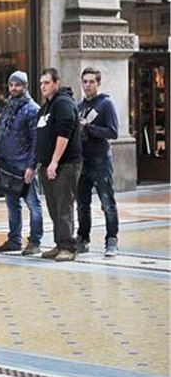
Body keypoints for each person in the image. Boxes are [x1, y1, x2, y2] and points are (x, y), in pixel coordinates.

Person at [0, 71, 44, 256]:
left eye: (17, 85)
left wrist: (31, 166)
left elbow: (36, 140)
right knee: (12, 205)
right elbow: (1, 136)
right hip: (7, 165)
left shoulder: (32, 109)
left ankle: (35, 241)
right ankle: (14, 240)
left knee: (33, 205)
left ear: (25, 86)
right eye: (11, 85)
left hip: (24, 166)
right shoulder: (8, 107)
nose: (13, 88)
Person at [36, 68, 82, 263]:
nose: (42, 87)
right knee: (54, 207)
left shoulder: (62, 103)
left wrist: (54, 162)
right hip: (48, 165)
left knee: (64, 206)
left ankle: (68, 247)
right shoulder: (46, 106)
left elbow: (64, 135)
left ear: (56, 83)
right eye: (41, 83)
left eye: (46, 83)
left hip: (65, 164)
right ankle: (59, 243)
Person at [76, 67, 120, 257]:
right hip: (82, 160)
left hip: (101, 159)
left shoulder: (106, 104)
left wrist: (89, 128)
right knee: (82, 204)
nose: (88, 85)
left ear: (98, 83)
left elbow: (113, 132)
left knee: (107, 202)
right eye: (85, 82)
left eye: (91, 82)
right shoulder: (79, 106)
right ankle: (83, 238)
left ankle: (111, 241)